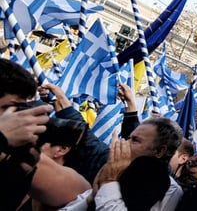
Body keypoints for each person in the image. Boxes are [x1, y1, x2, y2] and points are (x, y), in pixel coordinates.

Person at [0, 58, 90, 210]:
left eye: (22, 109)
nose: (20, 118)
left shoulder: (12, 154)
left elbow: (80, 192)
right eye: (10, 108)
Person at [94, 116, 185, 211]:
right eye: (128, 138)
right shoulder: (118, 169)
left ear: (159, 151)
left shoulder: (171, 190)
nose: (125, 143)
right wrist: (90, 198)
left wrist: (109, 182)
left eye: (135, 140)